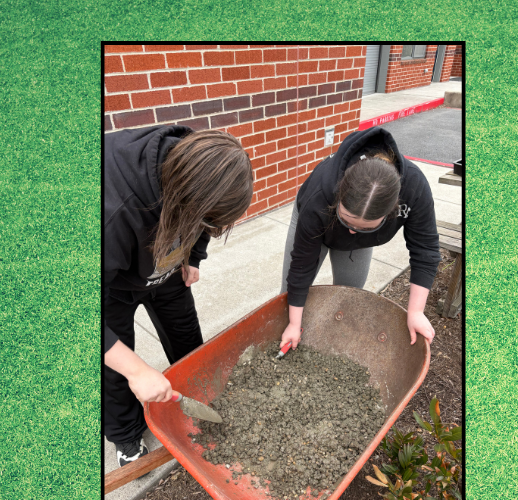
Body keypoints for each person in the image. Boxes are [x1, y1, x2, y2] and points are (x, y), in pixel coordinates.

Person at [104, 126, 253, 466]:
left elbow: (203, 221)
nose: (205, 228)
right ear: (181, 197)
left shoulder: (200, 173)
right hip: (112, 287)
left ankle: (199, 399)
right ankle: (126, 435)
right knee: (117, 368)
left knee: (187, 339)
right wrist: (138, 371)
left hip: (167, 273)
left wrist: (193, 257)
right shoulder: (112, 211)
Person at [280, 127, 439, 350]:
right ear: (339, 196)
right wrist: (294, 324)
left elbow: (426, 250)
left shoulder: (415, 188)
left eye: (364, 227)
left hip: (355, 222)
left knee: (349, 295)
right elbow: (301, 266)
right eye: (347, 221)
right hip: (318, 221)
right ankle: (291, 336)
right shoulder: (320, 192)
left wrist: (415, 311)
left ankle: (334, 345)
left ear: (391, 211)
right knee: (289, 302)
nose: (352, 232)